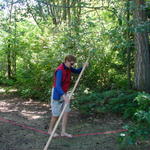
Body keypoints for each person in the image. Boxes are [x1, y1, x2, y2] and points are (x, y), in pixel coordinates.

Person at [48, 55, 87, 138]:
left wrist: (83, 67)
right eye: (71, 64)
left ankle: (63, 132)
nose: (72, 65)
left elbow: (77, 71)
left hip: (64, 93)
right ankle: (50, 130)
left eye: (73, 64)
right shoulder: (60, 71)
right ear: (66, 61)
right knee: (56, 115)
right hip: (57, 94)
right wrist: (64, 96)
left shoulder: (68, 68)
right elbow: (57, 86)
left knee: (66, 112)